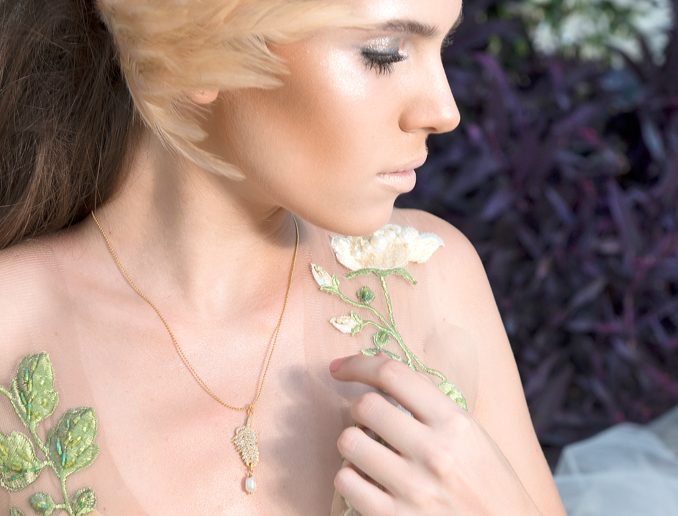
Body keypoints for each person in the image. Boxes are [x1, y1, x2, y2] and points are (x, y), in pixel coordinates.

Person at [0, 0, 567, 514]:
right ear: (197, 50)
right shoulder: (13, 328)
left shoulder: (433, 278)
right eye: (385, 53)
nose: (444, 111)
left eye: (442, 49)